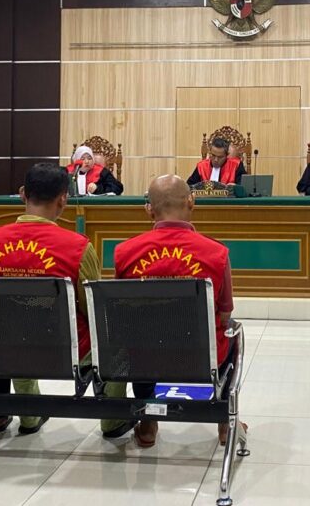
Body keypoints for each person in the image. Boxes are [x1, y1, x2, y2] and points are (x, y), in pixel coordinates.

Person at [103, 175, 237, 448]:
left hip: (143, 358)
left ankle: (148, 421)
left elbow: (122, 314)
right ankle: (224, 421)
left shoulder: (124, 252)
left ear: (148, 209)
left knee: (138, 335)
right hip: (200, 356)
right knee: (232, 333)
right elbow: (224, 315)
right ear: (192, 201)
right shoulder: (217, 253)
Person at [0, 163, 101, 435]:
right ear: (63, 199)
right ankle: (113, 421)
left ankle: (29, 414)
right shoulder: (78, 247)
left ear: (23, 194)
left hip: (2, 349)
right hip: (64, 351)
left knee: (12, 326)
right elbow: (93, 309)